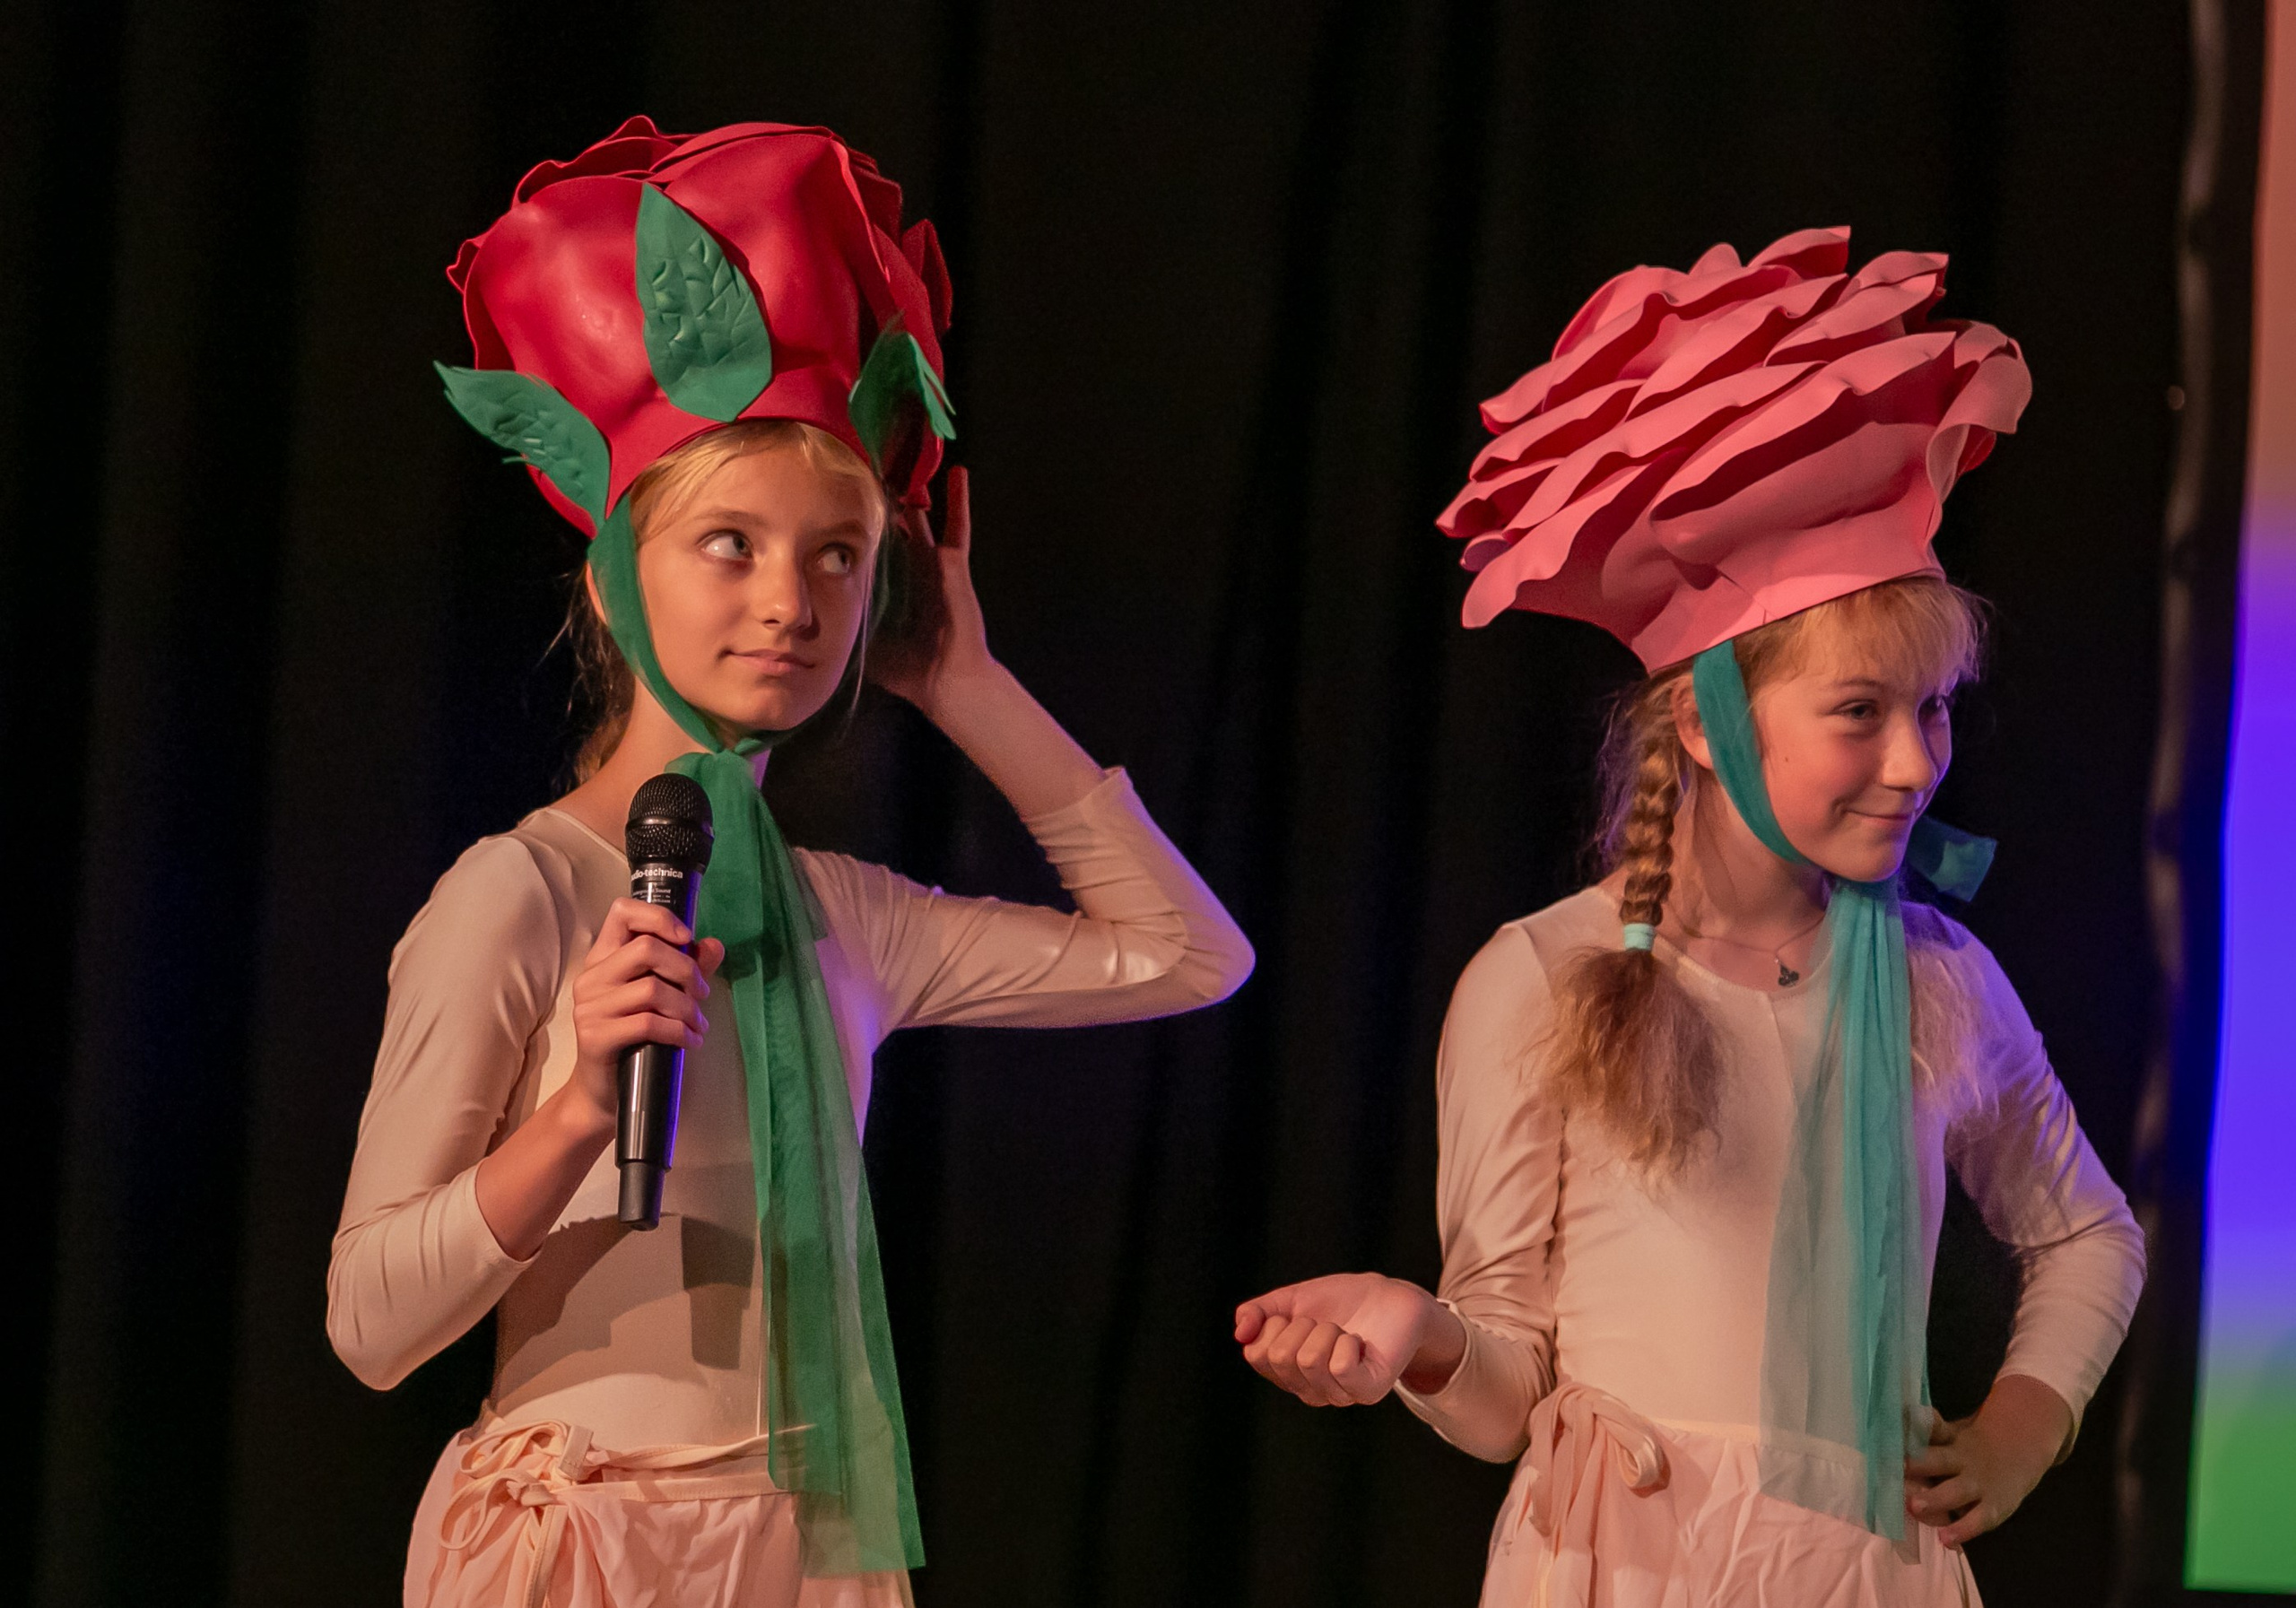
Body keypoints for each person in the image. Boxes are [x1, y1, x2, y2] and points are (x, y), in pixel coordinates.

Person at [327, 117, 1253, 1608]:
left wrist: (966, 685)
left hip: (799, 1552)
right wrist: (579, 1110)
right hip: (583, 1548)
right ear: (615, 583)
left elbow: (1189, 954)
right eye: (731, 544)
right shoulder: (520, 894)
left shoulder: (848, 918)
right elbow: (370, 1323)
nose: (792, 601)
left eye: (838, 554)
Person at [1233, 227, 2144, 1604]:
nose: (1916, 761)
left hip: (1860, 1572)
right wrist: (1419, 1330)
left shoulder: (1936, 975)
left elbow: (2087, 1231)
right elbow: (1504, 1395)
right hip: (1629, 1566)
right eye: (1859, 711)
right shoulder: (1546, 978)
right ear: (1709, 725)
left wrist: (2022, 1427)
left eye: (1934, 708)